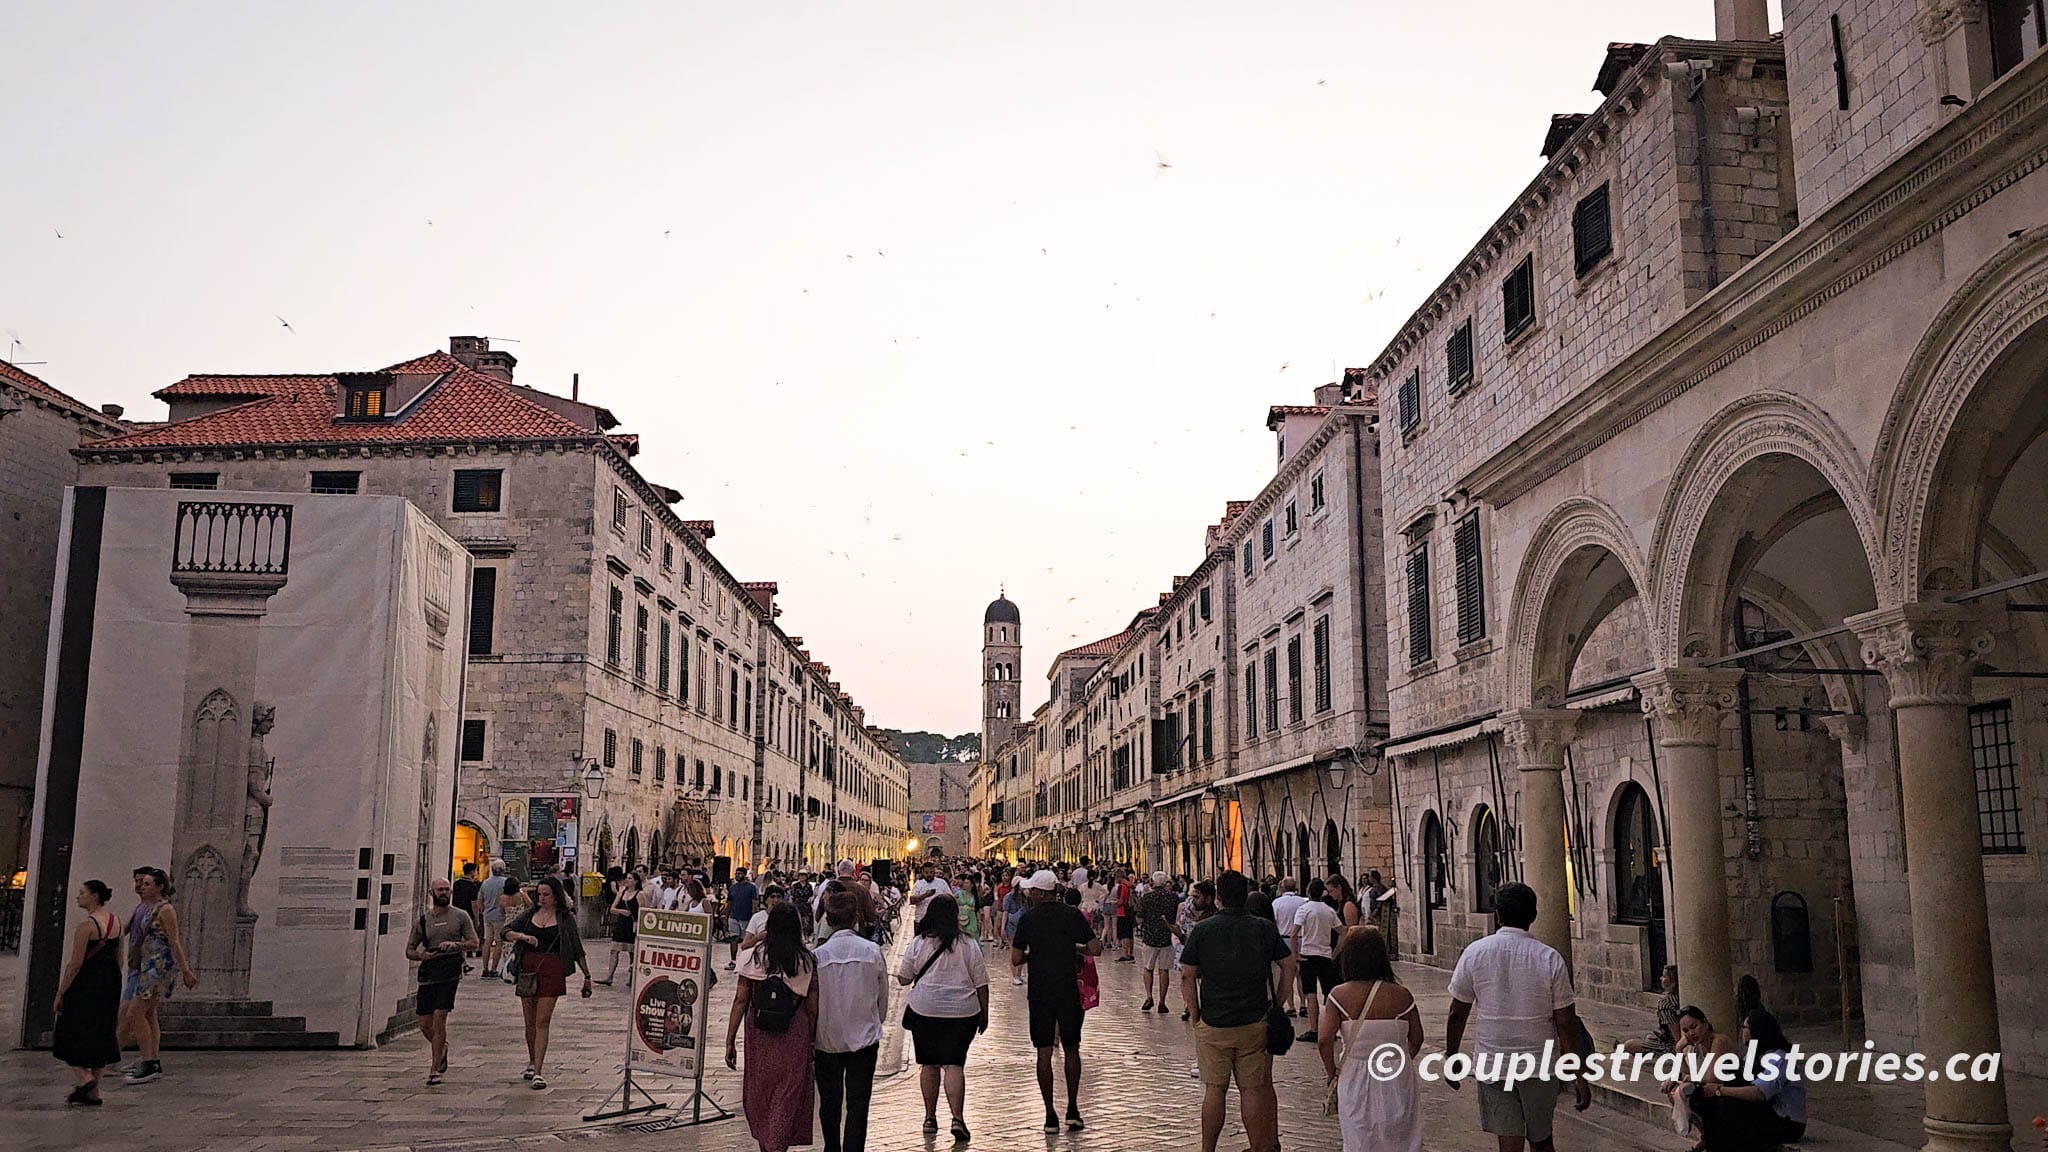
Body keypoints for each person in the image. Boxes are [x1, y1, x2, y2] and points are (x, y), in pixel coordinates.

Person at [1444, 882, 1591, 1152]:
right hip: (1539, 1063)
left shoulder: (1475, 953)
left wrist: (1452, 1056)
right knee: (1542, 1139)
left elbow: (1457, 1013)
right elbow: (1565, 1023)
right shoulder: (1549, 958)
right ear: (1533, 915)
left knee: (1508, 1144)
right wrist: (1578, 1072)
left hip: (1493, 1062)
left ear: (1497, 914)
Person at [1179, 870, 1294, 1152]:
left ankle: (1208, 1149)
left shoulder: (1204, 929)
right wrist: (1278, 1002)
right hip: (1254, 1021)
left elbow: (1187, 975)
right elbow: (1290, 964)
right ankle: (1259, 1147)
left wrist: (1195, 1014)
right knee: (1252, 1090)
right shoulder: (1262, 928)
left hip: (1214, 1022)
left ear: (1218, 897)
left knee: (1214, 1090)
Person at [1010, 868, 1100, 1133]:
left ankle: (1050, 1115)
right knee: (1072, 1048)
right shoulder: (1072, 915)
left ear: (1040, 893)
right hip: (1067, 990)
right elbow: (1095, 948)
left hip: (1040, 992)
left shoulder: (1028, 919)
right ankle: (1072, 1109)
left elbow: (1015, 958)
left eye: (1032, 891)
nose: (1029, 894)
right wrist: (1074, 948)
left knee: (1044, 1052)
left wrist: (1032, 955)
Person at [1320, 926, 1423, 1152]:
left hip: (1355, 1073)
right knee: (1401, 1139)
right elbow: (1417, 1037)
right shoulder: (1402, 995)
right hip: (1396, 1073)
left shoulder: (1338, 996)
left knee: (1359, 1136)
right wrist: (1401, 1059)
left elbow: (1324, 1039)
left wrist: (1332, 1072)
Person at [899, 893, 991, 1142]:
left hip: (925, 1010)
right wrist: (985, 1012)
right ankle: (958, 1118)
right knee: (954, 1065)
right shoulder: (968, 944)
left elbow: (903, 977)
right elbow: (981, 982)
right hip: (962, 1012)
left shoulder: (919, 943)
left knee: (928, 1065)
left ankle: (929, 1117)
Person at [726, 903, 819, 1152]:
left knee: (761, 1090)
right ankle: (777, 1145)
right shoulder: (806, 961)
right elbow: (812, 1006)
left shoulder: (754, 958)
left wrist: (730, 1039)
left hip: (760, 1035)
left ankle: (768, 1144)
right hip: (794, 1034)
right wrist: (812, 1040)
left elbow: (740, 1000)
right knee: (788, 1094)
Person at [813, 890, 889, 1152]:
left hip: (827, 1041)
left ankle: (831, 1147)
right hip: (863, 1040)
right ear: (855, 919)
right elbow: (883, 999)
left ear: (829, 921)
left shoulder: (818, 957)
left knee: (829, 1102)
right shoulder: (873, 951)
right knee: (858, 1103)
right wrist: (873, 1022)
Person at [501, 875, 592, 1089]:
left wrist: (587, 977)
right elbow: (505, 931)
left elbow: (577, 948)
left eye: (546, 895)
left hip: (552, 969)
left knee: (542, 1021)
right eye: (539, 894)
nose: (542, 899)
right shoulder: (529, 914)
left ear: (555, 896)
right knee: (529, 1021)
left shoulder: (564, 918)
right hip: (528, 969)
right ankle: (532, 1060)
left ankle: (539, 1071)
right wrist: (522, 937)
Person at [117, 866, 195, 1085]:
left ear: (159, 887)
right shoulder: (145, 907)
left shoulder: (165, 909)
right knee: (149, 1014)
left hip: (158, 966)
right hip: (147, 964)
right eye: (143, 884)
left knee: (134, 1013)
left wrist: (185, 970)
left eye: (148, 884)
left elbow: (174, 941)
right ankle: (152, 1060)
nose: (143, 886)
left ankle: (149, 1060)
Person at [52, 879, 122, 1105]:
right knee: (101, 1031)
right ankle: (94, 1090)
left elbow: (75, 963)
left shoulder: (86, 927)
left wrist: (61, 992)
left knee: (69, 1029)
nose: (78, 896)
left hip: (86, 984)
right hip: (109, 982)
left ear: (94, 896)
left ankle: (84, 1078)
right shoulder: (116, 923)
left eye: (82, 893)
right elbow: (119, 958)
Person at [1694, 1009, 1804, 1151]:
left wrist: (1719, 1090)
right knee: (1710, 1103)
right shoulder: (1755, 1054)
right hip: (1766, 1112)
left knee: (1725, 1106)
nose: (1743, 1032)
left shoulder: (1780, 1058)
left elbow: (1759, 1092)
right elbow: (1739, 1077)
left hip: (1787, 1122)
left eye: (1745, 1027)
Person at [406, 876, 479, 1086]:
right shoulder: (423, 921)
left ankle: (434, 1068)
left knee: (440, 1018)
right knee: (424, 1023)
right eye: (440, 890)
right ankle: (442, 1047)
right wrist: (422, 956)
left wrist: (455, 945)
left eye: (446, 889)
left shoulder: (460, 916)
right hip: (429, 972)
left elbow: (474, 943)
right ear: (432, 893)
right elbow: (410, 949)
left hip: (450, 972)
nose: (444, 893)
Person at [1659, 1004, 1736, 1144]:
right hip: (1712, 1089)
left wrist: (1684, 1078)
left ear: (1705, 1023)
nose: (1691, 1034)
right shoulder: (1696, 1046)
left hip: (1730, 1089)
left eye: (1694, 1027)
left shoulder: (1718, 1041)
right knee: (1675, 1093)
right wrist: (1679, 1049)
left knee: (1692, 1095)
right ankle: (1706, 1136)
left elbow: (1712, 1077)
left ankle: (1712, 1139)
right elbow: (1686, 1072)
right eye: (1686, 1031)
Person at [1291, 878, 1341, 1042]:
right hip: (1325, 955)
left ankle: (1314, 1029)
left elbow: (1294, 933)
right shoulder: (1329, 911)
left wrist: (1296, 954)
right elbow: (1344, 931)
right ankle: (1330, 1029)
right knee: (1329, 993)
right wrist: (1335, 952)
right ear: (1322, 893)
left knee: (1310, 992)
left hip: (1307, 954)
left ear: (1308, 892)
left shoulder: (1304, 910)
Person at [1135, 870, 1179, 1013]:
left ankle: (1149, 996)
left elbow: (1139, 918)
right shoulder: (1173, 897)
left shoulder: (1146, 898)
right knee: (1164, 970)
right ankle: (1162, 1002)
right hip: (1167, 936)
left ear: (1152, 882)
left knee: (1148, 968)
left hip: (1150, 936)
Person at [1625, 965, 1682, 1055]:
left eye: (1664, 976)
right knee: (1649, 1037)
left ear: (1673, 981)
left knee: (1629, 1045)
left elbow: (1677, 1036)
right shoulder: (1680, 998)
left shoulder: (1666, 1004)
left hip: (1671, 1046)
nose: (1661, 978)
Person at [1271, 878, 1307, 1016]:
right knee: (1300, 975)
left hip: (1283, 939)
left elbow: (1274, 921)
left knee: (1287, 974)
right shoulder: (1302, 902)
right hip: (1300, 939)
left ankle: (1291, 1006)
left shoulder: (1277, 903)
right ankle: (1303, 1004)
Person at [599, 871, 641, 985]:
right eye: (627, 878)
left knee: (632, 952)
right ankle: (609, 976)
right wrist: (621, 911)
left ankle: (632, 978)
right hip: (621, 923)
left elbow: (643, 911)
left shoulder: (639, 894)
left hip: (632, 925)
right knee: (614, 950)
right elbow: (612, 908)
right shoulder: (622, 892)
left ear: (636, 881)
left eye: (630, 878)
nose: (627, 880)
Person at [476, 860, 509, 976]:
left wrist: (482, 911)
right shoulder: (505, 883)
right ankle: (494, 969)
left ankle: (485, 969)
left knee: (487, 941)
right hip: (500, 916)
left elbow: (480, 900)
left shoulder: (485, 883)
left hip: (487, 915)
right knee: (499, 943)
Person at [451, 863, 481, 973]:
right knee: (464, 941)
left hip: (454, 914)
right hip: (467, 916)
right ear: (472, 872)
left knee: (457, 939)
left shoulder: (456, 884)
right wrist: (477, 919)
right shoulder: (472, 886)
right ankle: (462, 963)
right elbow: (474, 904)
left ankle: (463, 963)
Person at [727, 868, 759, 970]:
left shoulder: (751, 888)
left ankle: (746, 960)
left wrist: (754, 916)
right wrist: (726, 916)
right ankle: (733, 960)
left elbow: (754, 902)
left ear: (744, 875)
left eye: (739, 874)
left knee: (747, 941)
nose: (737, 875)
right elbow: (729, 903)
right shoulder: (732, 888)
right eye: (736, 873)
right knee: (734, 938)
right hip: (734, 916)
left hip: (746, 917)